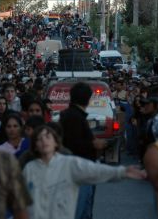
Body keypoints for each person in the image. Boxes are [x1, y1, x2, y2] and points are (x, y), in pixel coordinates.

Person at [23, 125, 146, 219]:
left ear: (56, 142)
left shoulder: (69, 164)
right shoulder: (29, 168)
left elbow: (95, 171)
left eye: (48, 137)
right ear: (34, 146)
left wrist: (121, 172)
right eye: (39, 139)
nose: (44, 141)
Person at [59, 82, 106, 219]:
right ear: (87, 98)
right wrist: (94, 144)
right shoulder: (74, 117)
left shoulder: (73, 115)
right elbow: (73, 144)